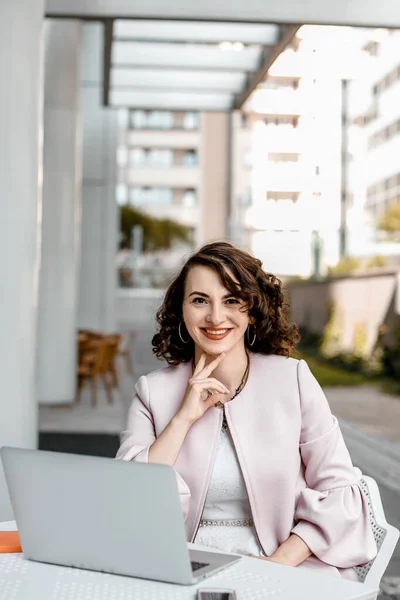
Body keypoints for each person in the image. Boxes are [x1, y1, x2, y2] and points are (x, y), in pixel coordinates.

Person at [116, 242, 377, 580]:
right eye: (199, 300)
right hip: (180, 565)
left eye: (232, 300)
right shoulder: (152, 392)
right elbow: (128, 496)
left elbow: (341, 490)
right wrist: (183, 418)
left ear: (251, 311)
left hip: (282, 561)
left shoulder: (293, 381)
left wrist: (277, 565)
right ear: (181, 310)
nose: (215, 317)